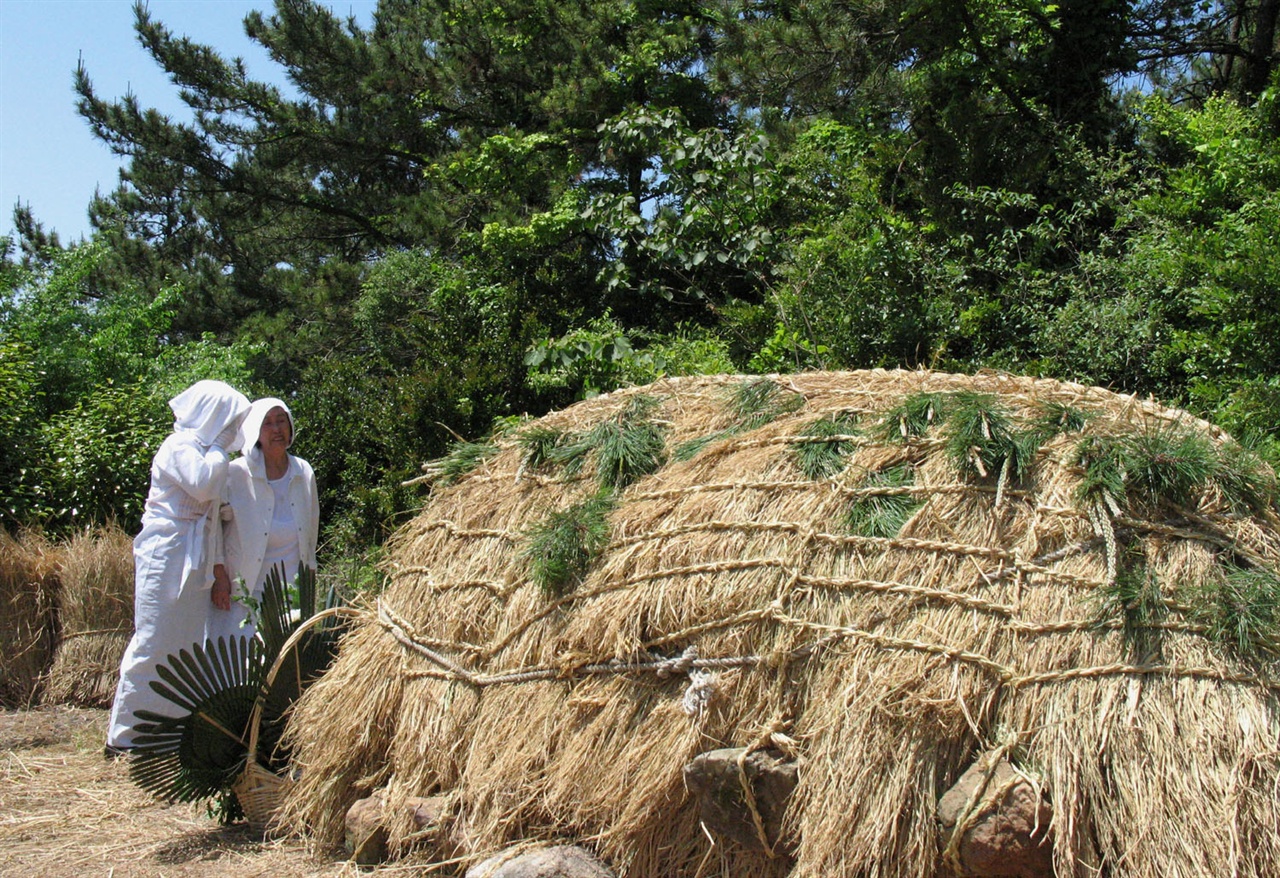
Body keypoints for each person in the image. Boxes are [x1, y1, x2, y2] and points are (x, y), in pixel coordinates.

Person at [106, 380, 251, 755]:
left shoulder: (211, 454)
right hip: (167, 550)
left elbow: (214, 520)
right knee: (155, 639)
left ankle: (166, 733)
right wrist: (219, 447)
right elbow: (203, 487)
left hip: (197, 553)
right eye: (229, 421)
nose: (233, 430)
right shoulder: (180, 447)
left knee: (185, 645)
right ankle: (125, 735)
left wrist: (219, 570)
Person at [207, 397, 319, 645]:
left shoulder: (304, 472)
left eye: (281, 421)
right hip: (242, 594)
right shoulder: (234, 474)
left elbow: (311, 532)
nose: (276, 429)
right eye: (267, 423)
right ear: (255, 431)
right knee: (237, 671)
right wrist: (219, 575)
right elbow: (212, 526)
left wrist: (309, 585)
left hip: (291, 597)